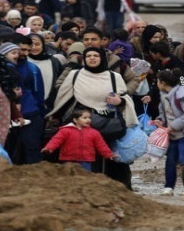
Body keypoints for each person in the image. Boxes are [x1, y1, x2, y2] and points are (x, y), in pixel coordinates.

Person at [47, 47, 138, 188]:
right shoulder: (75, 75)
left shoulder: (115, 77)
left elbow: (125, 98)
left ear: (102, 58)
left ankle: (111, 189)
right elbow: (63, 98)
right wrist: (56, 116)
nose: (92, 58)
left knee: (108, 157)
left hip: (107, 124)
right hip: (80, 124)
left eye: (96, 55)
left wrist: (119, 101)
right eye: (88, 55)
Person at [2, 39, 46, 164]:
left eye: (27, 50)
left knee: (31, 148)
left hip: (30, 112)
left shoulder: (33, 69)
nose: (23, 53)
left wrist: (41, 113)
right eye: (20, 49)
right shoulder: (1, 68)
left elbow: (38, 93)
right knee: (9, 149)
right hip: (6, 114)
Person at [41, 107, 116, 171]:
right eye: (84, 118)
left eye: (89, 118)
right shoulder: (65, 130)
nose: (88, 120)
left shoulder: (94, 132)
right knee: (68, 177)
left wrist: (109, 154)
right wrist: (49, 148)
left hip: (86, 160)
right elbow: (56, 140)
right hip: (68, 159)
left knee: (85, 177)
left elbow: (101, 145)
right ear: (75, 120)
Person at [27, 33, 63, 108]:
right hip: (28, 104)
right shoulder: (22, 61)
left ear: (42, 45)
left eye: (37, 44)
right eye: (30, 45)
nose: (33, 48)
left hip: (50, 103)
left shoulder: (53, 61)